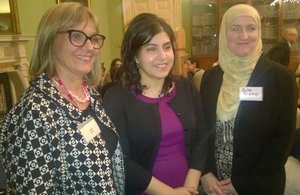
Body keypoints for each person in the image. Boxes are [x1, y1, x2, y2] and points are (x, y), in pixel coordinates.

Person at [0, 3, 125, 194]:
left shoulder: (90, 94)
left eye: (93, 38)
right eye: (76, 36)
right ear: (49, 39)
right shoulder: (33, 113)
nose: (90, 46)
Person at [103, 13, 208, 195]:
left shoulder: (186, 87)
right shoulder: (116, 98)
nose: (163, 56)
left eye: (167, 47)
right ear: (135, 56)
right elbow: (121, 160)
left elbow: (201, 137)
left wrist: (190, 187)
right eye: (151, 49)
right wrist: (171, 193)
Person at [200, 4, 297, 195]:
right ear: (224, 33)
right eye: (235, 28)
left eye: (251, 28)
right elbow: (200, 129)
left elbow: (283, 140)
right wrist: (204, 172)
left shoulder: (281, 78)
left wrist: (243, 183)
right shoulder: (210, 77)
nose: (244, 36)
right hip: (213, 185)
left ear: (259, 32)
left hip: (258, 185)